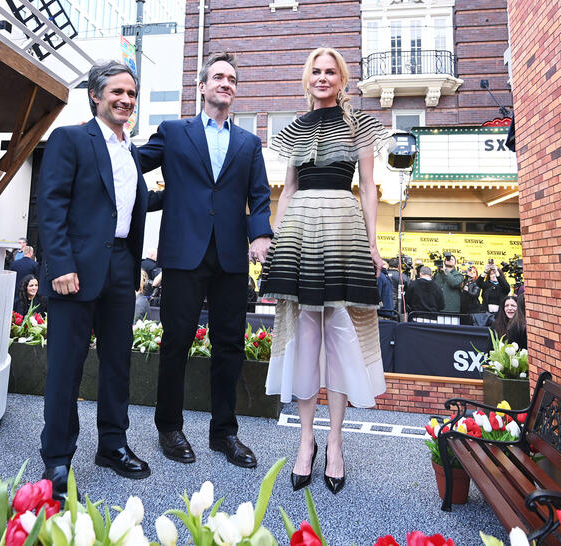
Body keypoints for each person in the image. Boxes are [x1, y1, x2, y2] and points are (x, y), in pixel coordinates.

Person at [259, 47, 393, 494]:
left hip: (342, 225)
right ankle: (305, 441)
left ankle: (334, 442)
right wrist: (275, 237)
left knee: (339, 337)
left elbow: (370, 189)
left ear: (341, 79)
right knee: (303, 337)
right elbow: (290, 188)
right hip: (299, 228)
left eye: (329, 71)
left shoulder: (360, 125)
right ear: (307, 78)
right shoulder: (294, 129)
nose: (321, 77)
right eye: (315, 71)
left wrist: (374, 243)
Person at [139, 52, 273, 470]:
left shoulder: (250, 143)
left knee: (229, 346)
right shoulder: (174, 132)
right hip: (182, 254)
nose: (225, 83)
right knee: (176, 341)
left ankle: (224, 434)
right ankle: (169, 427)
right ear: (201, 87)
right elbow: (131, 165)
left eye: (232, 79)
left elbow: (260, 195)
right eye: (218, 77)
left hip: (231, 257)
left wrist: (262, 234)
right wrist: (148, 199)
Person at [37, 60, 161, 499]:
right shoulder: (71, 139)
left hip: (121, 269)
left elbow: (126, 207)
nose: (126, 100)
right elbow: (50, 207)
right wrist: (61, 265)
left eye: (131, 93)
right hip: (76, 269)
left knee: (117, 365)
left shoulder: (131, 152)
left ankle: (112, 445)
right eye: (117, 92)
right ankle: (56, 458)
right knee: (65, 369)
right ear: (96, 95)